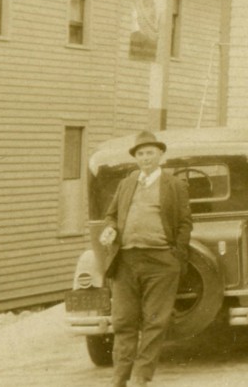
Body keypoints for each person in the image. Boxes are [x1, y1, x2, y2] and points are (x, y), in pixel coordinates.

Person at [98, 129, 194, 386]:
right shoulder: (127, 183)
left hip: (161, 263)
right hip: (126, 262)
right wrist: (110, 229)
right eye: (140, 154)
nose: (145, 158)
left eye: (150, 152)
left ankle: (141, 378)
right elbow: (111, 215)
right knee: (123, 321)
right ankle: (119, 378)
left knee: (154, 322)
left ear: (160, 154)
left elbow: (185, 224)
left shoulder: (175, 185)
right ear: (136, 158)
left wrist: (176, 256)